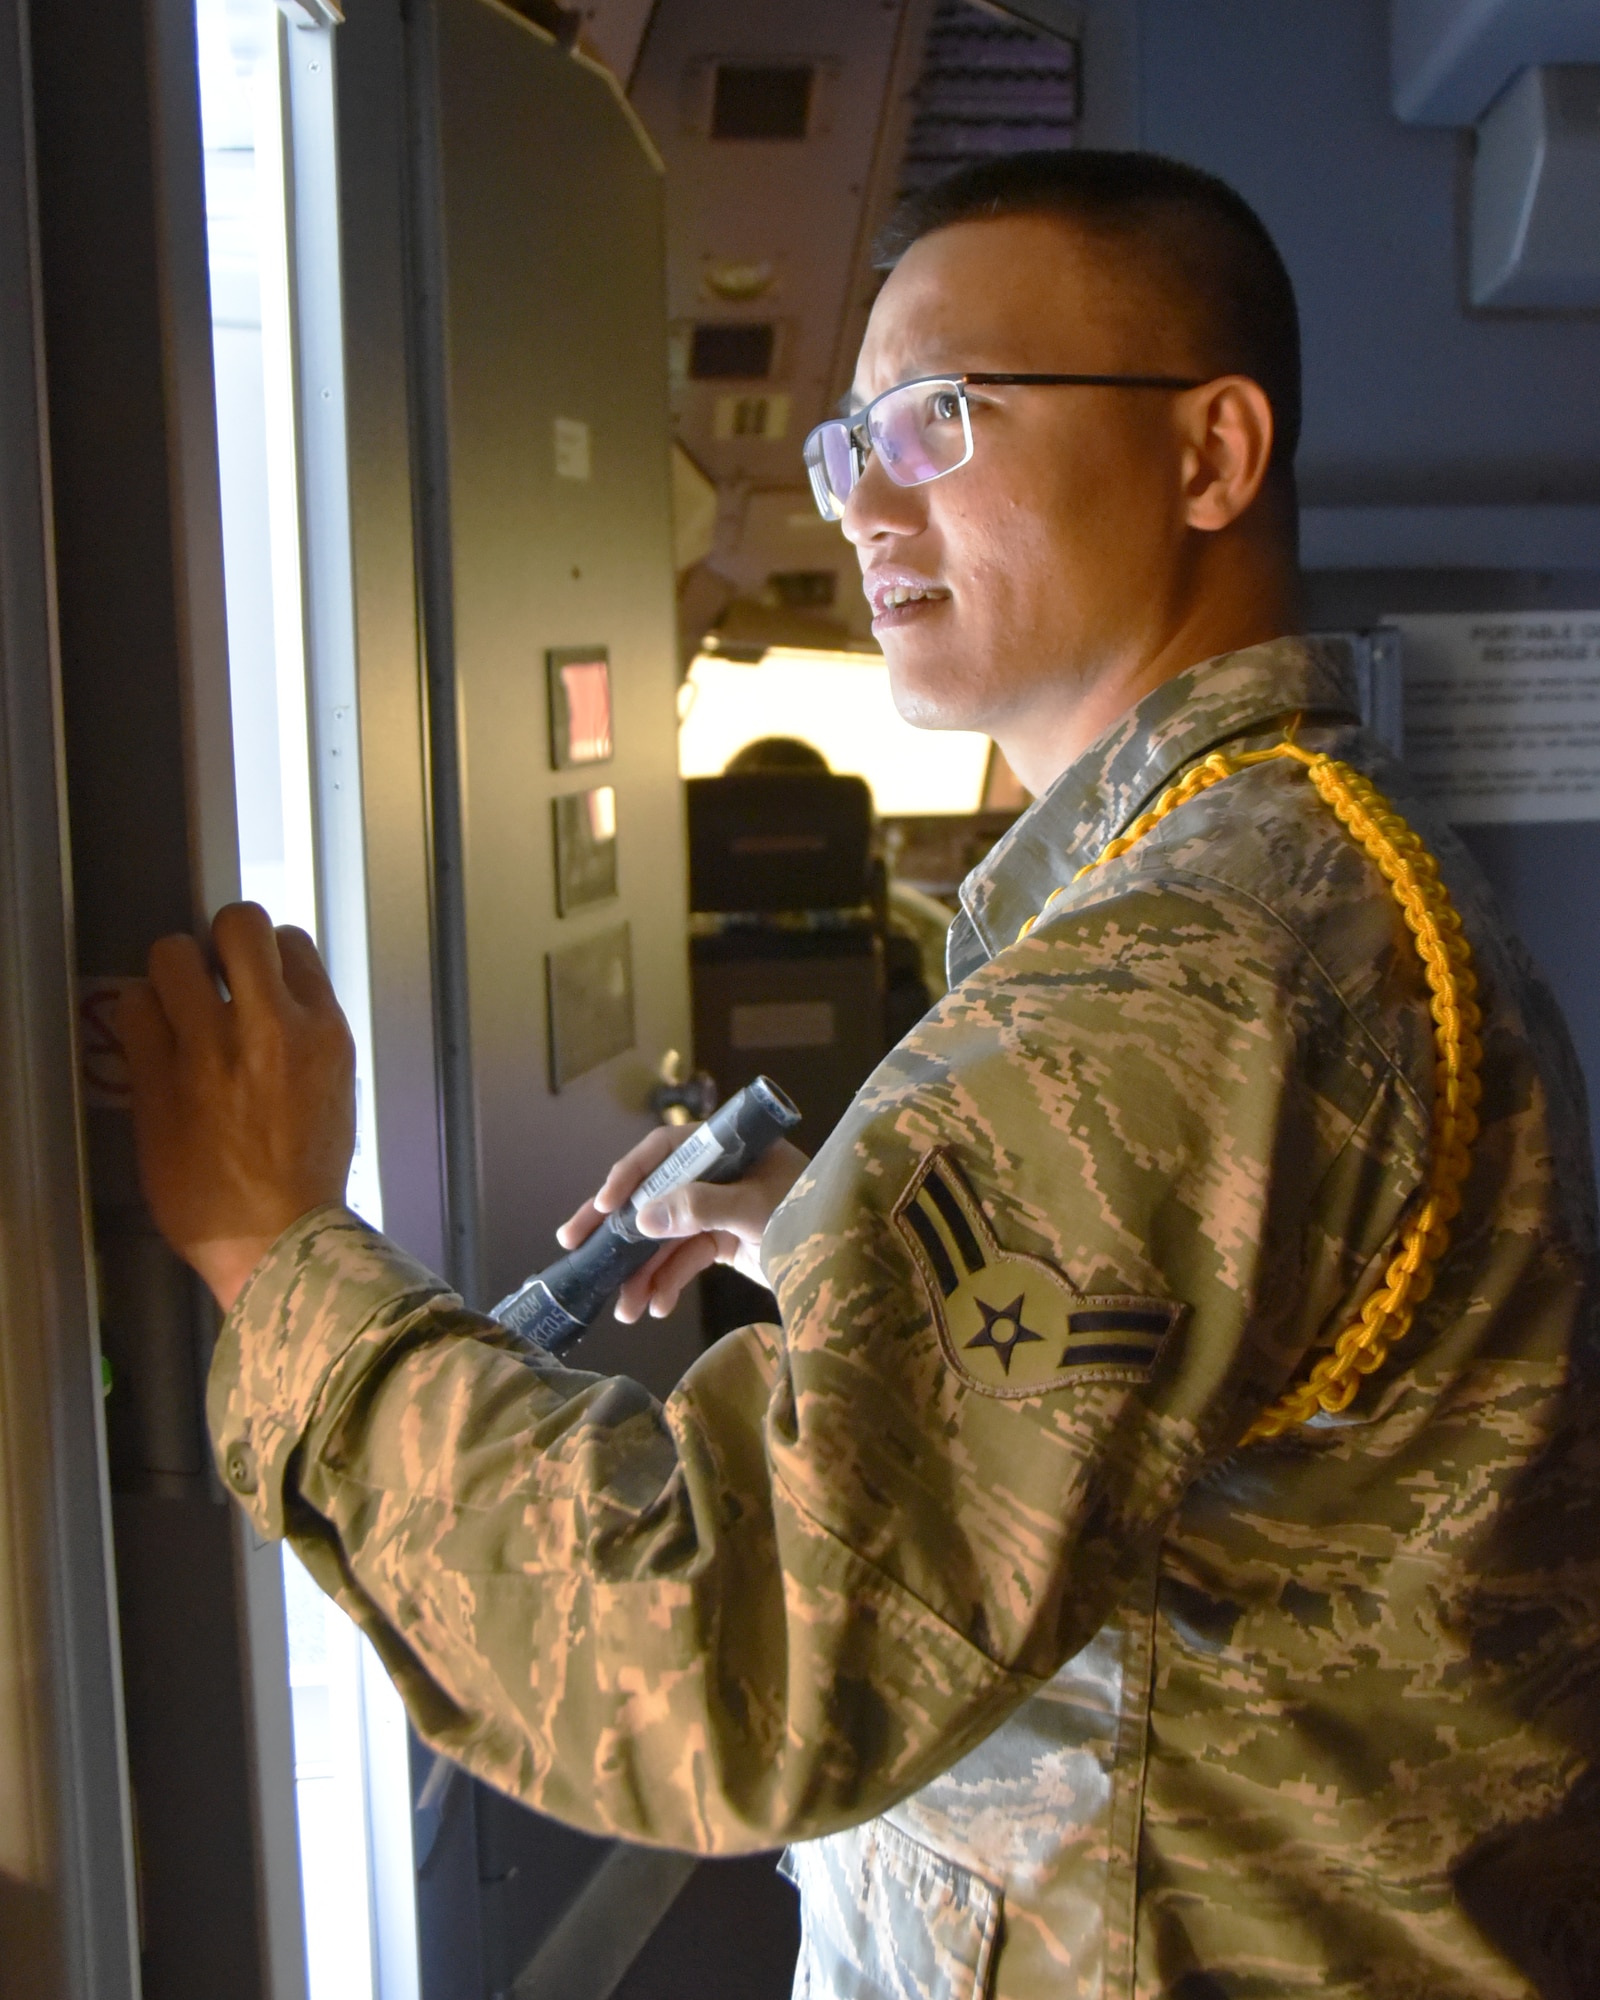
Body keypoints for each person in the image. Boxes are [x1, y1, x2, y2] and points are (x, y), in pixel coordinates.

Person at [122, 152, 1600, 1999]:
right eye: (848, 449)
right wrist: (857, 1221)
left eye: (940, 420)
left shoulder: (1178, 977)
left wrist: (280, 1258)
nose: (868, 505)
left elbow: (714, 1653)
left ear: (1210, 455)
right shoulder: (1305, 872)